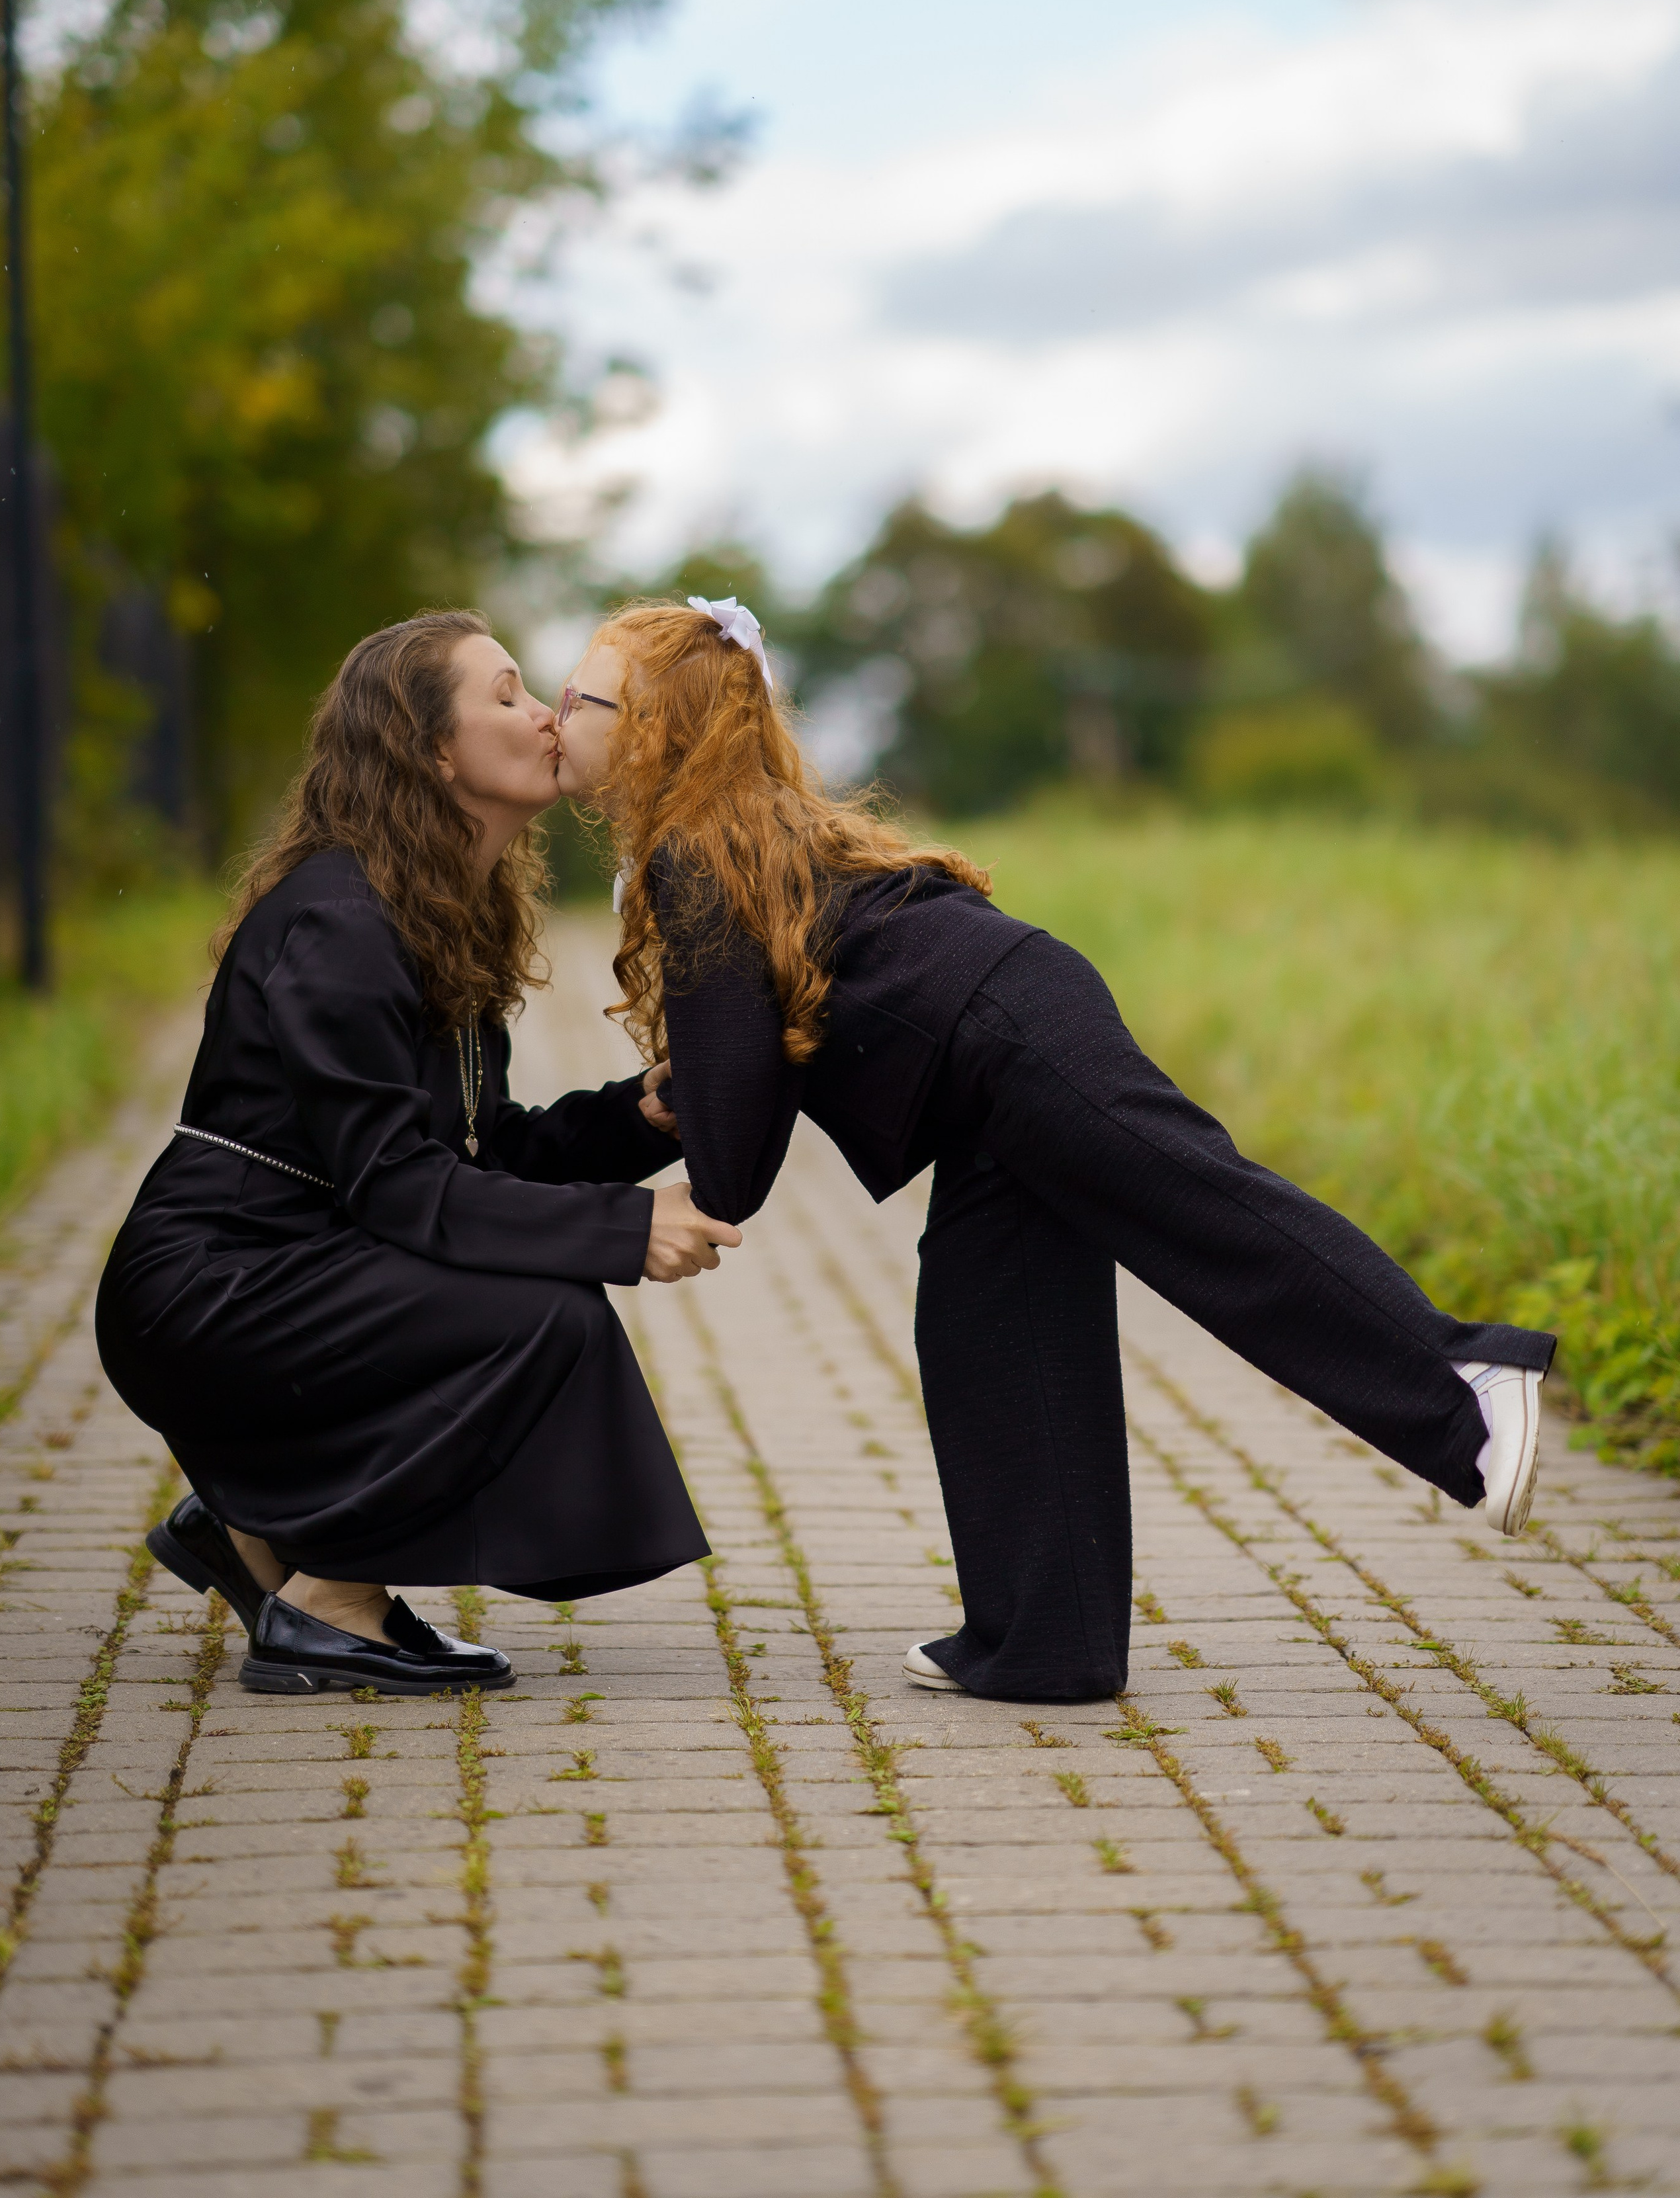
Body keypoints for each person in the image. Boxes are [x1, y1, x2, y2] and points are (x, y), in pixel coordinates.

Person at [551, 594, 1557, 1707]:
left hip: (1011, 1030)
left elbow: (740, 1126)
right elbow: (751, 1065)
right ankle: (1048, 1640)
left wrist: (684, 1181)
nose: (557, 715)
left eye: (577, 696)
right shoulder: (721, 835)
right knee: (990, 1323)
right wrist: (668, 1116)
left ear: (651, 725)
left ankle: (1466, 1374)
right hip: (984, 1067)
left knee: (1201, 1215)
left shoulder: (697, 852)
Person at [97, 610, 739, 1697]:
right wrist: (626, 1230)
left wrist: (639, 1118)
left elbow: (479, 1149)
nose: (545, 714)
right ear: (431, 750)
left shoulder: (429, 905)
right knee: (544, 1315)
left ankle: (261, 1528)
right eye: (505, 696)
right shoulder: (340, 920)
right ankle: (332, 1595)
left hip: (289, 1258)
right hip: (211, 1287)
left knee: (531, 1293)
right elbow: (404, 1187)